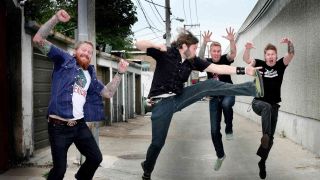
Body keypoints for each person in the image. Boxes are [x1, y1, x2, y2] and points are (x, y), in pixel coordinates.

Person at [135, 30, 264, 180]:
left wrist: (244, 70)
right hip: (160, 104)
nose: (196, 52)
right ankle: (147, 169)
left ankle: (252, 88)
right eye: (194, 48)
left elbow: (217, 68)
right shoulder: (166, 53)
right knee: (157, 143)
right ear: (184, 46)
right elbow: (138, 44)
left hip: (178, 97)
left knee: (209, 84)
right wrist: (156, 45)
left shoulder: (193, 60)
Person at [32, 9, 129, 180]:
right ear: (75, 51)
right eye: (83, 50)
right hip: (58, 127)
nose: (86, 53)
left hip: (79, 125)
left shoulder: (90, 75)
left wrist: (119, 74)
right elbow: (38, 40)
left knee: (95, 158)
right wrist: (55, 18)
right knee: (59, 170)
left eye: (89, 52)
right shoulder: (64, 61)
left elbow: (108, 93)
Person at [243, 38, 294, 179]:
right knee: (265, 107)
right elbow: (247, 59)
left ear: (276, 56)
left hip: (273, 107)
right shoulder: (259, 64)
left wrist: (290, 44)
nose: (270, 56)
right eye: (268, 54)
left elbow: (291, 55)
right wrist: (247, 48)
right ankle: (264, 135)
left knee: (270, 139)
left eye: (273, 54)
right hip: (258, 103)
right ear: (265, 56)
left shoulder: (280, 65)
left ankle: (262, 162)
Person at [198, 28, 236, 171]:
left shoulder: (225, 59)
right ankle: (220, 155)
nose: (216, 53)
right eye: (214, 51)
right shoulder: (207, 62)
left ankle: (229, 128)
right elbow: (198, 59)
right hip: (214, 98)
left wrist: (232, 40)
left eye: (218, 51)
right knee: (214, 131)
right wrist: (204, 43)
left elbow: (233, 54)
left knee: (227, 105)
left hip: (228, 92)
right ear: (211, 52)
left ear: (220, 52)